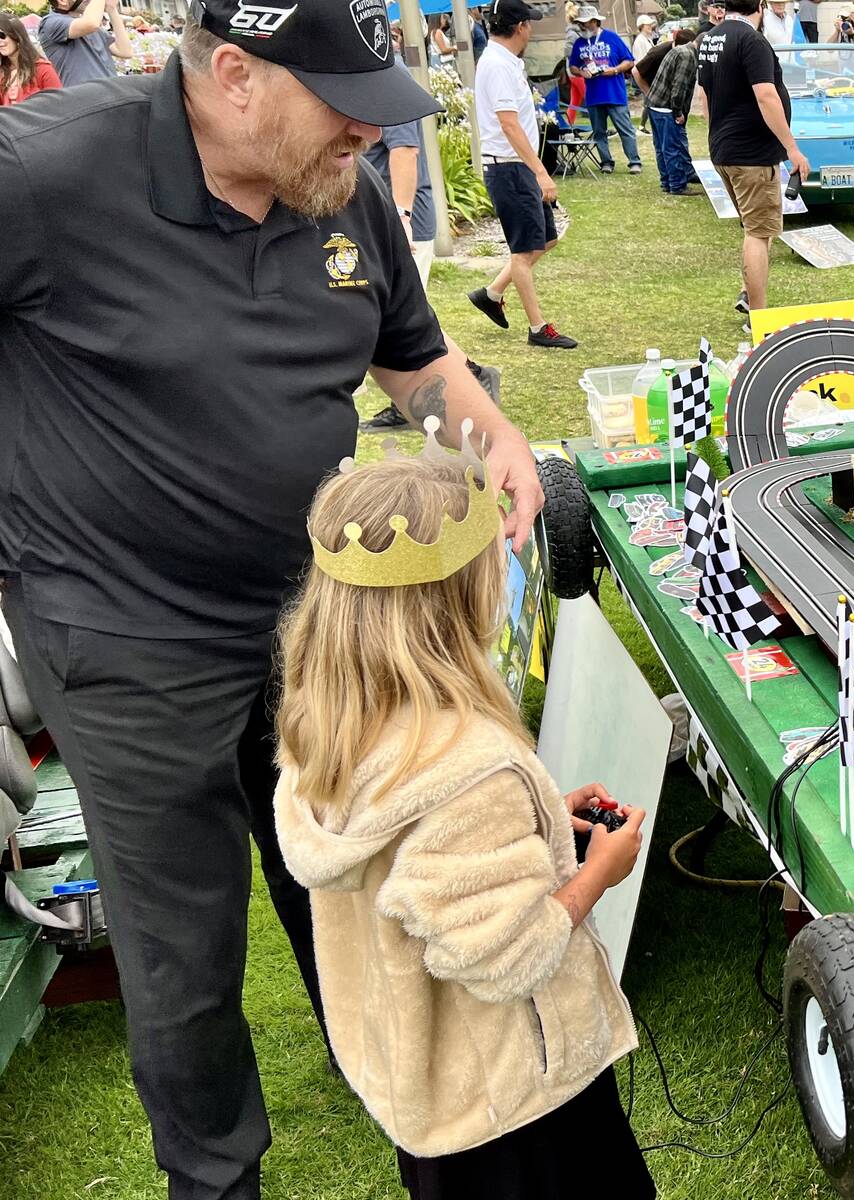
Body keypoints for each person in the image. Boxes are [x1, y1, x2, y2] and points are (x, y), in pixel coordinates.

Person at [0, 0, 545, 1192]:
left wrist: (484, 433)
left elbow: (411, 356)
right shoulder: (41, 175)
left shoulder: (337, 188)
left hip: (317, 621)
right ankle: (217, 1179)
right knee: (185, 961)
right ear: (235, 76)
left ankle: (426, 1118)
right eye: (340, 104)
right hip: (126, 642)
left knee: (361, 885)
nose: (368, 130)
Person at [275, 449, 649, 1200]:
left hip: (433, 1094)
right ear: (453, 600)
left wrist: (540, 822)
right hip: (520, 1108)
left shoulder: (328, 725)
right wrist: (598, 872)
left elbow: (423, 877)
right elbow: (510, 956)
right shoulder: (466, 766)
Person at [471, 0, 577, 349]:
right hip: (510, 169)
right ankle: (537, 328)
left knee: (545, 239)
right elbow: (509, 124)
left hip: (516, 168)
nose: (531, 29)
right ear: (520, 28)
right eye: (529, 23)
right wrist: (541, 172)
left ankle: (492, 292)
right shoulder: (498, 65)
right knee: (523, 251)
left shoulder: (504, 62)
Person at [698, 0, 811, 312]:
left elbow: (705, 94)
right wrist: (792, 148)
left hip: (725, 148)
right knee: (759, 233)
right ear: (759, 5)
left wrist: (716, 134)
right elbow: (766, 95)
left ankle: (748, 292)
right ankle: (758, 315)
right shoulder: (752, 40)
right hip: (751, 153)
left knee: (756, 226)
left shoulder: (711, 37)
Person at [361, 25, 441, 434]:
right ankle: (470, 375)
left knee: (402, 323)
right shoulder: (367, 70)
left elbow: (404, 150)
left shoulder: (388, 74)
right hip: (382, 220)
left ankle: (410, 406)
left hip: (399, 222)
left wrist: (402, 217)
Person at [569, 5, 643, 175]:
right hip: (594, 96)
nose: (582, 26)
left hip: (614, 94)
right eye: (580, 23)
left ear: (594, 22)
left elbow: (629, 61)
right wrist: (581, 72)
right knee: (599, 132)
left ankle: (634, 162)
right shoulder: (579, 43)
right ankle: (606, 162)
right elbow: (572, 66)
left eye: (584, 23)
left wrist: (615, 70)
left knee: (625, 130)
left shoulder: (612, 37)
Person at [36, 0, 131, 88]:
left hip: (111, 95)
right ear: (62, 1)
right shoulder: (50, 22)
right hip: (85, 100)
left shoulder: (93, 26)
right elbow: (90, 24)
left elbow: (125, 51)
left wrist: (112, 9)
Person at [650, 26, 699, 194]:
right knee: (672, 147)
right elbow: (679, 87)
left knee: (661, 147)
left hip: (654, 104)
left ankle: (666, 182)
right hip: (666, 108)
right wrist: (678, 112)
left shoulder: (679, 50)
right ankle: (677, 185)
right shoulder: (688, 56)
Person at [0, 13, 60, 106]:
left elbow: (59, 104)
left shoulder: (42, 69)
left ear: (16, 35)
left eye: (2, 35)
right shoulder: (2, 73)